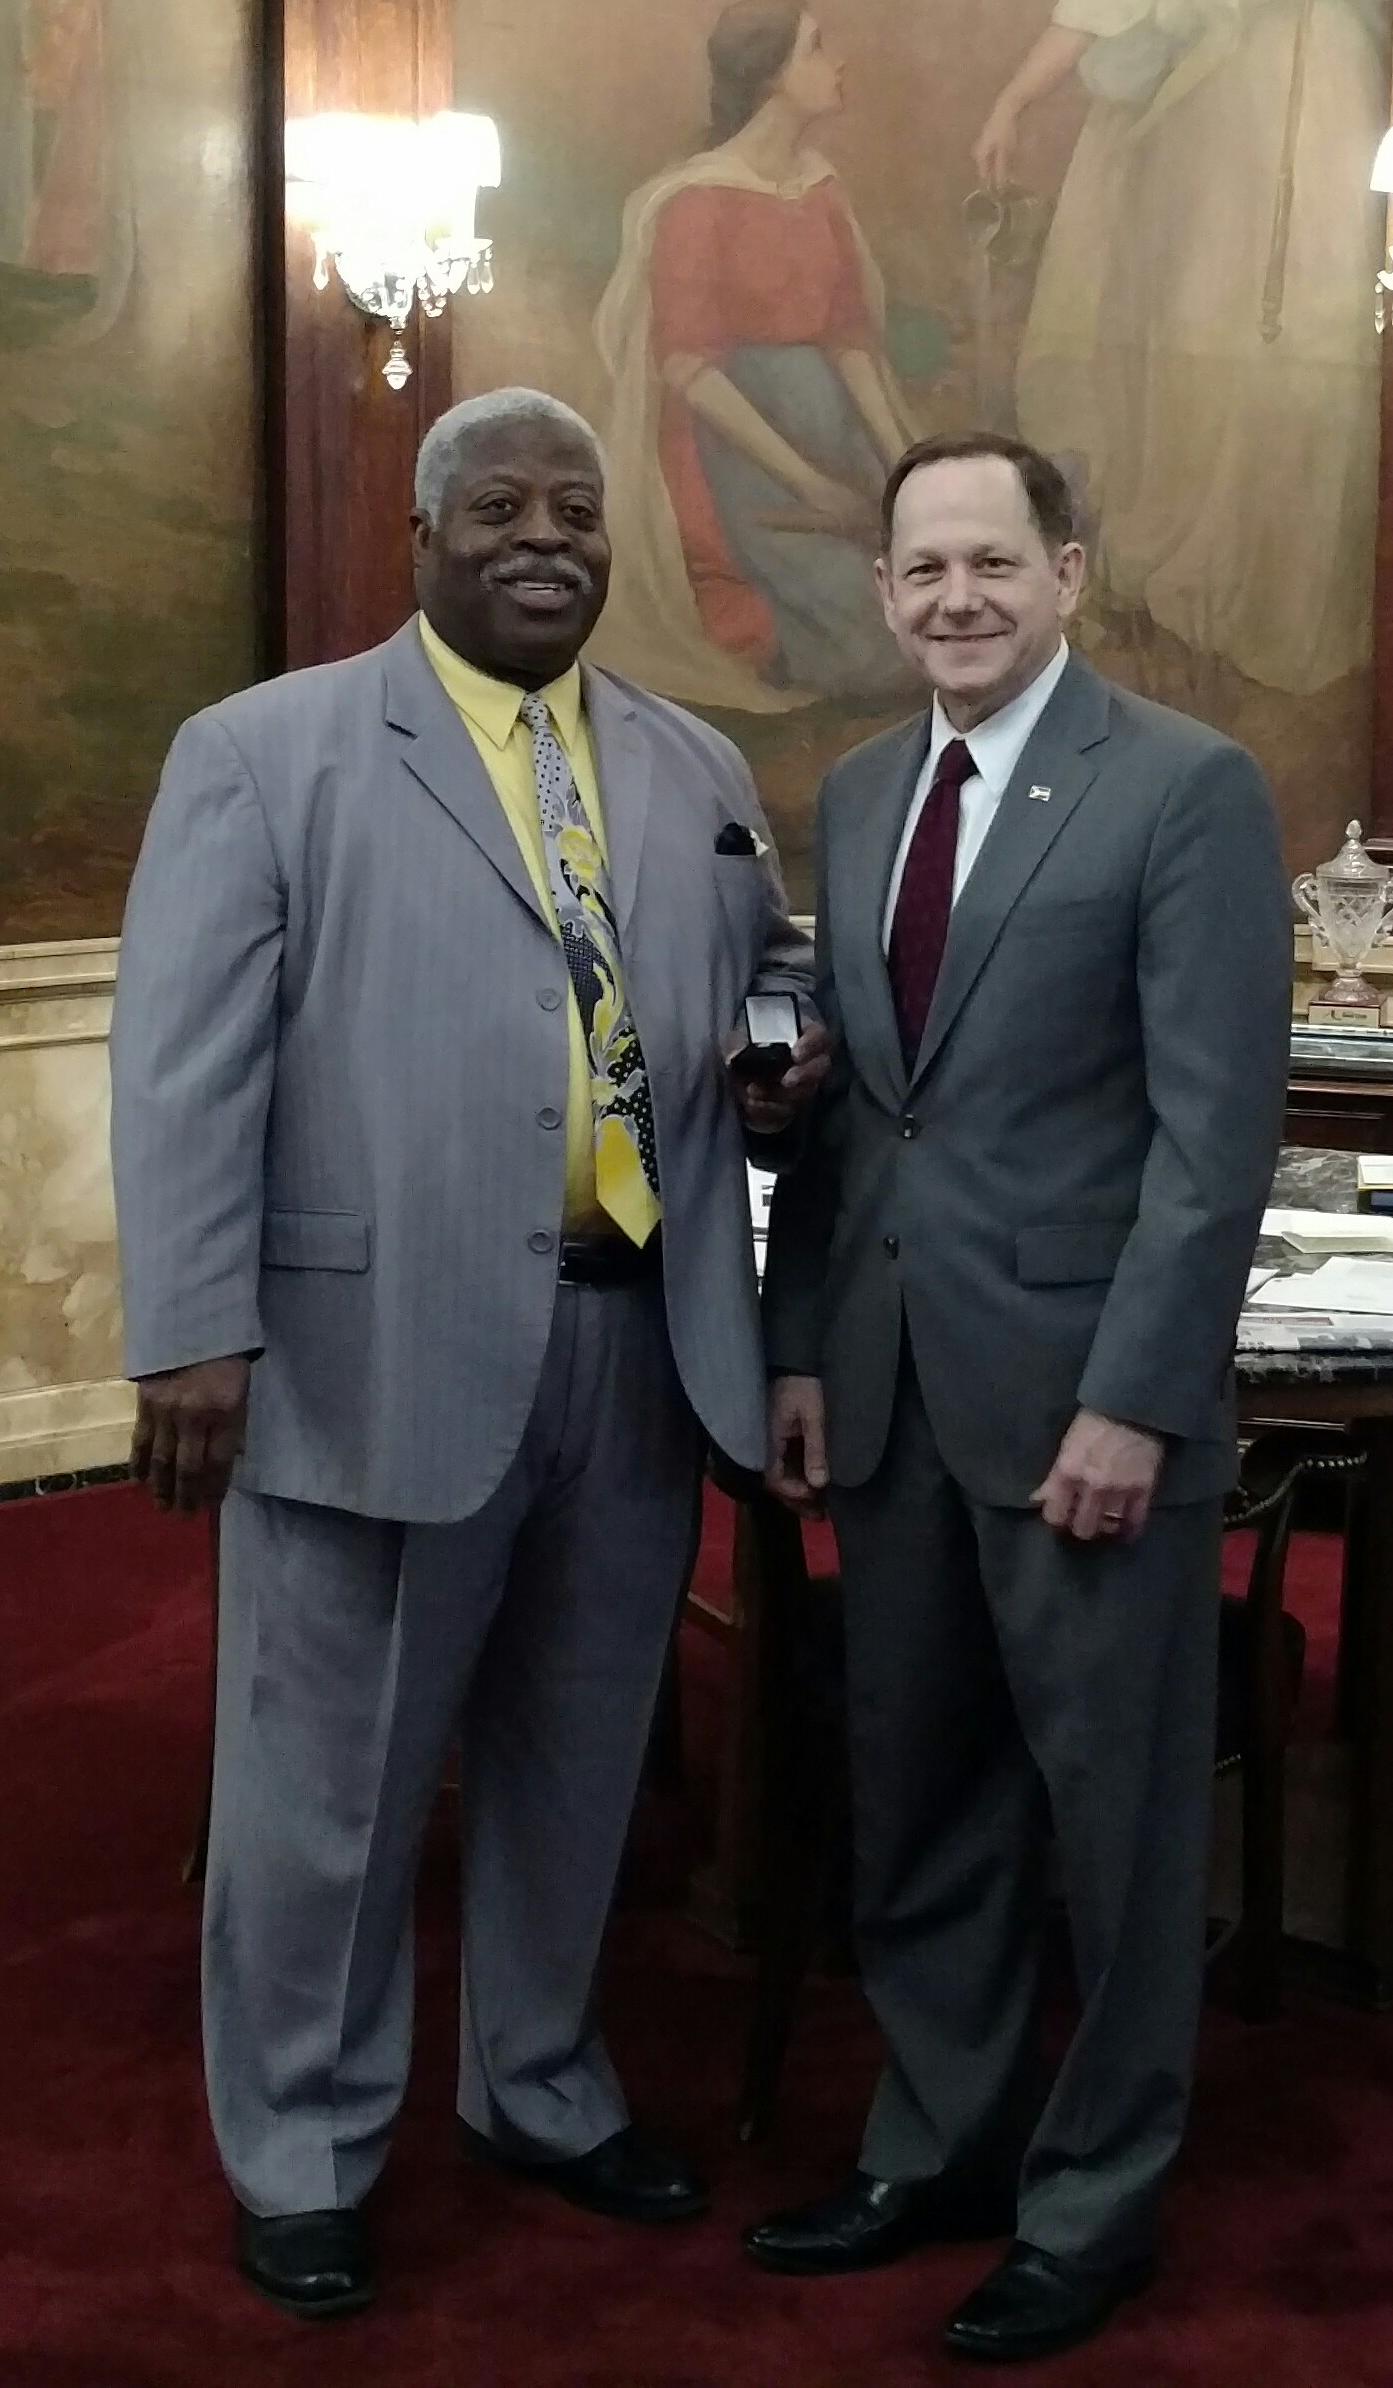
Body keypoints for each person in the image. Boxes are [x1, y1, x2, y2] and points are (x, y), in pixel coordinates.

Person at [109, 387, 822, 2323]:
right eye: (496, 504)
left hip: (634, 1349)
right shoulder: (268, 752)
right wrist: (188, 1329)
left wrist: (773, 1049)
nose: (543, 537)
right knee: (328, 1790)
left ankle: (537, 2083)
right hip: (367, 1355)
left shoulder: (690, 767)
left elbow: (760, 966)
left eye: (574, 511)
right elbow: (182, 1062)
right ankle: (305, 2147)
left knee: (574, 1762)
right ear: (418, 537)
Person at [746, 432, 1293, 2362]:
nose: (954, 597)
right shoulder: (857, 787)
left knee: (1109, 1822)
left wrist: (1137, 1398)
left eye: (992, 560)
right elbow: (850, 1122)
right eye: (921, 569)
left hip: (1085, 1414)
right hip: (891, 1396)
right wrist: (800, 1342)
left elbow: (1210, 1140)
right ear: (884, 592)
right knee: (916, 1798)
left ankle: (1092, 2195)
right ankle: (939, 2138)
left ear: (1068, 569)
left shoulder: (1183, 788)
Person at [973, 0, 1387, 695]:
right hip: (1222, 109)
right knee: (1199, 329)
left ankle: (1283, 595)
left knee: (1321, 333)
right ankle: (1201, 584)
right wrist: (1013, 99)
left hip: (1328, 92)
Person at [593, 1, 918, 715]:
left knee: (925, 600)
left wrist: (908, 468)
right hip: (741, 464)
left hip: (839, 447)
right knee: (876, 645)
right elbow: (688, 368)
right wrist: (805, 484)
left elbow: (849, 341)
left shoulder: (820, 188)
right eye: (816, 50)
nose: (838, 64)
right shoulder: (696, 199)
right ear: (770, 77)